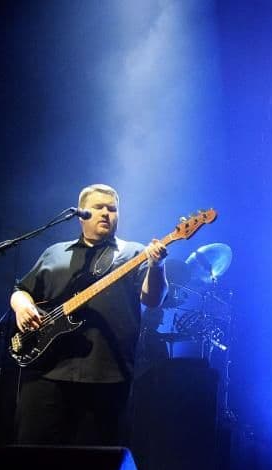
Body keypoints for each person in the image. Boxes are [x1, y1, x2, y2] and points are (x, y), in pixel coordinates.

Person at [10, 183, 168, 446]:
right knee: (31, 457)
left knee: (93, 468)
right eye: (99, 208)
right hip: (46, 370)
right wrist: (21, 306)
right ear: (82, 213)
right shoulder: (55, 253)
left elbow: (153, 300)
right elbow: (21, 290)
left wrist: (157, 265)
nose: (107, 213)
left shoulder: (134, 253)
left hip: (106, 375)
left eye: (113, 209)